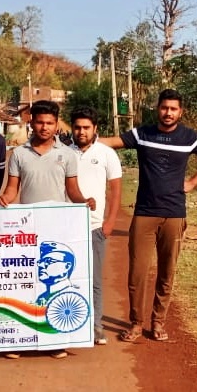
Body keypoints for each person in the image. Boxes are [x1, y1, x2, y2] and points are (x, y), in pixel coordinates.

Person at [99, 89, 197, 343]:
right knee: (137, 272)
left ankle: (158, 322)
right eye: (164, 108)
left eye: (173, 109)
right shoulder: (143, 134)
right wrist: (84, 136)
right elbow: (111, 142)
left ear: (180, 112)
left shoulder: (190, 137)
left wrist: (192, 182)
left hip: (174, 214)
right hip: (144, 213)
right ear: (158, 109)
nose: (168, 113)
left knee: (167, 272)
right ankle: (136, 323)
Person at [0, 99, 95, 359]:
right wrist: (5, 198)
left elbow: (72, 190)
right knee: (26, 283)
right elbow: (12, 189)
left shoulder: (67, 155)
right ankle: (21, 340)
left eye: (49, 123)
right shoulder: (19, 154)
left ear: (56, 124)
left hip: (56, 229)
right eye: (40, 122)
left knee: (52, 285)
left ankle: (54, 340)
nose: (44, 127)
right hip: (28, 230)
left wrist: (84, 201)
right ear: (32, 123)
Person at [69, 106, 122, 345]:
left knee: (94, 280)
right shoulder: (64, 152)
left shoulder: (107, 153)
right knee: (68, 277)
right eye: (77, 127)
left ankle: (96, 327)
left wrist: (109, 223)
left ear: (95, 129)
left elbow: (116, 191)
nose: (81, 132)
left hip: (94, 226)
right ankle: (69, 326)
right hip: (67, 226)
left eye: (86, 128)